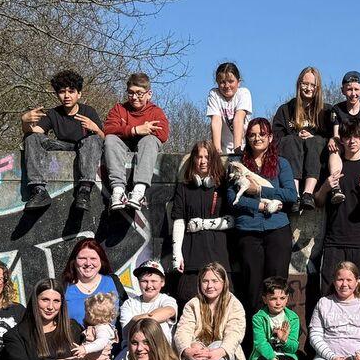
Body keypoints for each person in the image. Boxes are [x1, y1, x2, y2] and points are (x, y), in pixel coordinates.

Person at [228, 117, 298, 309]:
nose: (257, 138)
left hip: (277, 230)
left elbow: (291, 195)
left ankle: (277, 337)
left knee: (276, 289)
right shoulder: (237, 165)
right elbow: (232, 200)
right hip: (248, 231)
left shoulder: (281, 164)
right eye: (252, 135)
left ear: (270, 137)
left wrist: (259, 191)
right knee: (252, 288)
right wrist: (260, 206)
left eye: (261, 134)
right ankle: (254, 338)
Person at [314, 117, 360, 297]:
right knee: (328, 297)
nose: (352, 141)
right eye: (348, 137)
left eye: (357, 137)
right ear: (342, 139)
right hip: (334, 242)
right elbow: (318, 201)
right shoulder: (331, 165)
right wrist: (325, 187)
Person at [20, 69, 104, 212]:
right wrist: (24, 122)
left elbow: (103, 140)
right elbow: (36, 134)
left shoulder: (88, 111)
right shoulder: (53, 113)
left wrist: (95, 128)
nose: (66, 96)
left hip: (84, 147)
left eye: (71, 91)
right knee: (30, 137)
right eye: (62, 92)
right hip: (62, 146)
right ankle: (39, 190)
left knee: (94, 139)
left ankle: (84, 191)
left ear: (79, 94)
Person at [170, 141, 233, 306]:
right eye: (199, 157)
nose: (203, 161)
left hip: (219, 255)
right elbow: (178, 220)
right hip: (191, 257)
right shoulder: (184, 187)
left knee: (222, 306)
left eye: (207, 157)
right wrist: (177, 254)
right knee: (188, 301)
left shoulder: (224, 187)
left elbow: (232, 221)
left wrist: (203, 224)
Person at [102, 71, 170, 213]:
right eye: (131, 93)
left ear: (149, 94)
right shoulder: (119, 109)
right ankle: (118, 191)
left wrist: (145, 132)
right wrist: (135, 130)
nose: (134, 97)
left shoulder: (155, 112)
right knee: (110, 140)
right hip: (122, 147)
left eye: (139, 93)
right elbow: (107, 129)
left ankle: (139, 191)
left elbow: (163, 135)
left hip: (146, 150)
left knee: (151, 140)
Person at [272, 66, 331, 209]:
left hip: (317, 164)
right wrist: (296, 136)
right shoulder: (285, 109)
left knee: (315, 141)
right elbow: (276, 137)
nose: (308, 88)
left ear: (318, 88)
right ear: (299, 84)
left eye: (313, 85)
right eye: (305, 84)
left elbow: (333, 137)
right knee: (291, 140)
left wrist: (313, 136)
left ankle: (307, 194)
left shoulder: (327, 110)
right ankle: (295, 195)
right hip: (291, 159)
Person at [326, 70, 360, 207]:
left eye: (356, 89)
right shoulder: (337, 109)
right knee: (334, 147)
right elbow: (337, 134)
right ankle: (335, 187)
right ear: (342, 90)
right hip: (344, 144)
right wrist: (333, 139)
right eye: (349, 89)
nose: (353, 93)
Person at [60, 238, 126, 328]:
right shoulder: (63, 286)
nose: (88, 263)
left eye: (93, 258)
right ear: (74, 261)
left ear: (101, 261)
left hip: (111, 341)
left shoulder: (113, 282)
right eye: (82, 258)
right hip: (73, 342)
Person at [120, 259, 178, 342]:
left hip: (160, 350)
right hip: (134, 351)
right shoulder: (129, 304)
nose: (149, 285)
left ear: (162, 282)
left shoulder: (167, 300)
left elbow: (169, 311)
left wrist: (136, 320)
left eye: (154, 281)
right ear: (138, 282)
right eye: (144, 281)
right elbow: (127, 331)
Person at [73, 292, 117, 360]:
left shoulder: (102, 329)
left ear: (92, 315)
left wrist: (85, 348)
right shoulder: (97, 327)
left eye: (86, 313)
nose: (84, 315)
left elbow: (101, 343)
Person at [207, 61, 252, 154]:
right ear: (217, 82)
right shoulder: (214, 94)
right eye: (222, 82)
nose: (227, 86)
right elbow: (216, 121)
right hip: (223, 147)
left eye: (231, 81)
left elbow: (239, 119)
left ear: (238, 82)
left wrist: (237, 149)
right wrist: (217, 150)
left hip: (243, 146)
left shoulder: (244, 93)